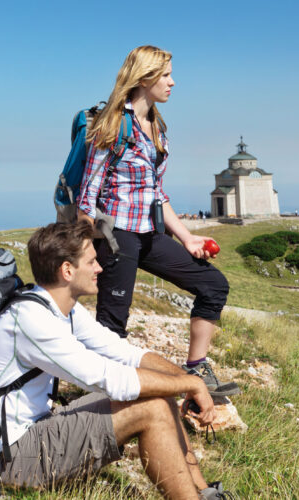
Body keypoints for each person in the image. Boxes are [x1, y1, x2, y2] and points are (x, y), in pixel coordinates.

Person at [0, 221, 234, 499]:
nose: (100, 268)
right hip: (9, 457)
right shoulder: (32, 320)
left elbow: (125, 353)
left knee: (159, 391)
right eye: (91, 261)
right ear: (67, 270)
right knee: (152, 406)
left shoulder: (62, 309)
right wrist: (191, 385)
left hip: (32, 430)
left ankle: (205, 492)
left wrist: (185, 380)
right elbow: (110, 378)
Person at [78, 45, 239, 396]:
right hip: (116, 234)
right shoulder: (114, 124)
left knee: (213, 285)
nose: (172, 82)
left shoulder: (157, 126)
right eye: (166, 75)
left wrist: (187, 238)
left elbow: (155, 192)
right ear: (144, 77)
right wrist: (86, 248)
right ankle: (101, 397)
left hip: (149, 232)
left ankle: (197, 369)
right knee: (112, 322)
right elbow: (88, 194)